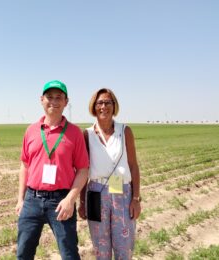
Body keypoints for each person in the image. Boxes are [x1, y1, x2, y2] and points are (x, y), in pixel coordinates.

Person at [16, 80, 89, 259]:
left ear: (66, 101)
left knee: (69, 253)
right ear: (41, 100)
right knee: (23, 253)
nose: (54, 101)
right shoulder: (31, 131)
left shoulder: (74, 133)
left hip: (61, 201)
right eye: (49, 97)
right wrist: (20, 199)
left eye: (59, 97)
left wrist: (70, 199)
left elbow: (83, 170)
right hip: (31, 200)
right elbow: (24, 166)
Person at [78, 88, 141, 259]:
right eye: (100, 103)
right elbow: (83, 169)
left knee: (124, 244)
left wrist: (135, 199)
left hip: (122, 191)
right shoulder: (87, 134)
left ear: (114, 106)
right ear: (94, 106)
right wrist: (82, 202)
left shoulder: (125, 131)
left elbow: (133, 166)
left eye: (108, 102)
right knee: (100, 246)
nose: (103, 106)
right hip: (95, 193)